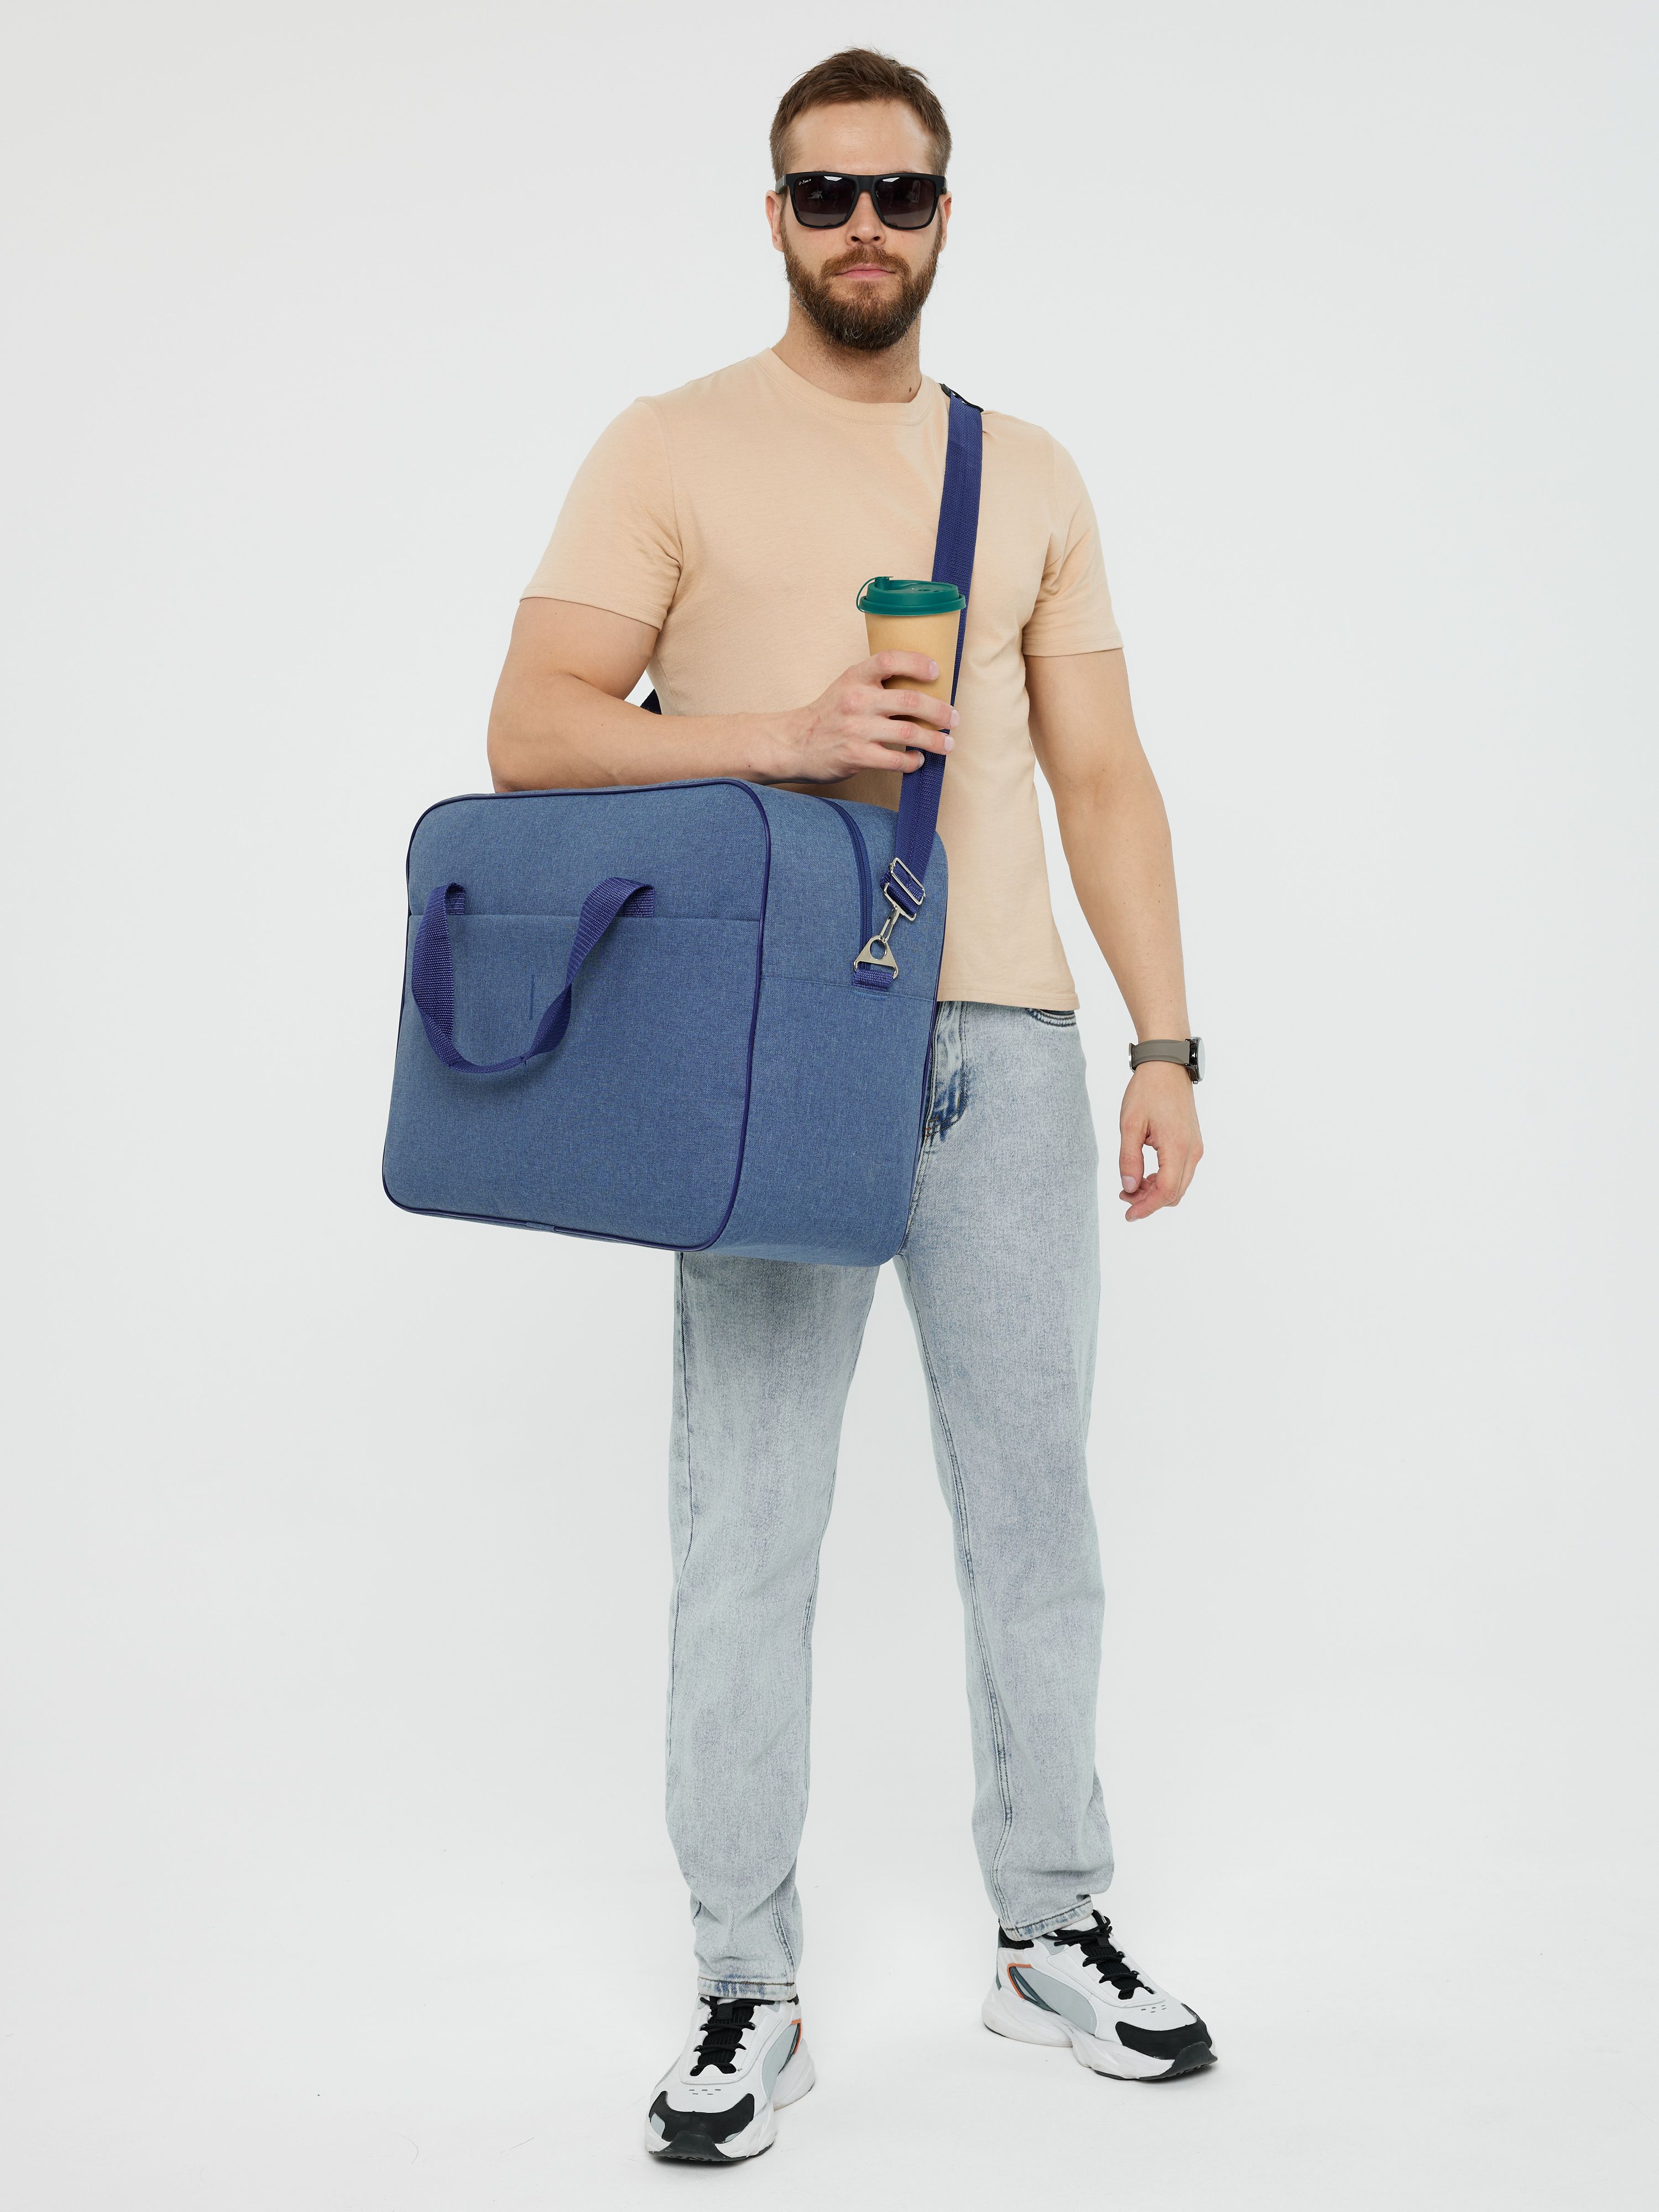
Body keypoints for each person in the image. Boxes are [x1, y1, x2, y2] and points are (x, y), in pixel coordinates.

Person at [488, 47, 1213, 2165]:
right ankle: (748, 1978)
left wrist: (1168, 1042)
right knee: (749, 1522)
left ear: (947, 214)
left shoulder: (1030, 473)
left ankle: (1050, 1928)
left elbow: (1103, 776)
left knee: (1035, 1511)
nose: (865, 229)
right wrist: (785, 731)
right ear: (776, 215)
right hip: (772, 1038)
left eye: (900, 194)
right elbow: (533, 727)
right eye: (827, 195)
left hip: (1008, 1037)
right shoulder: (669, 445)